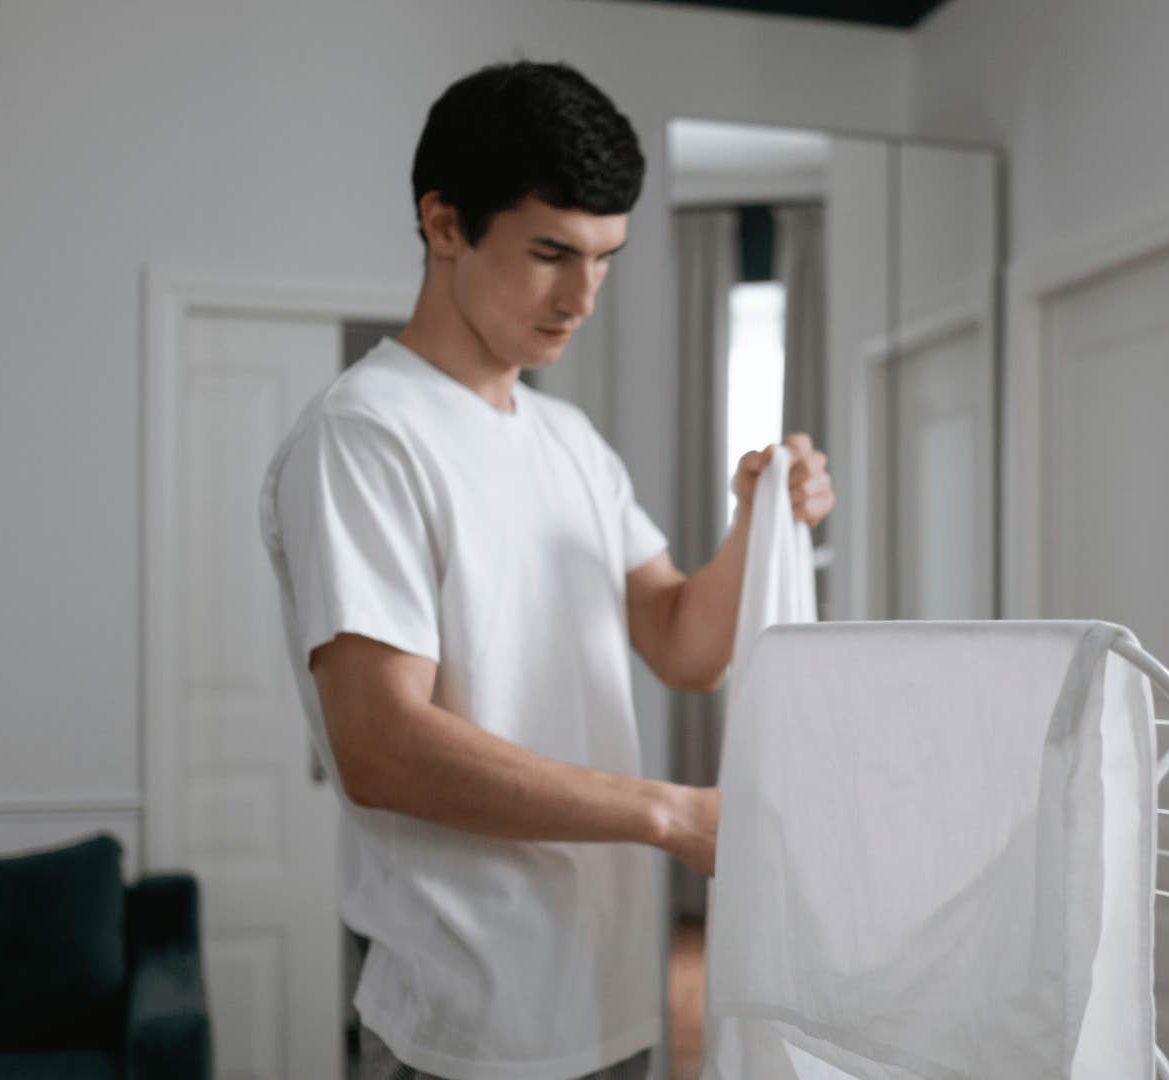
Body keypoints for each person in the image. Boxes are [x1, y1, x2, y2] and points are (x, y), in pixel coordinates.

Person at [258, 59, 834, 1080]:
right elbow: (379, 745)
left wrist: (759, 524)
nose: (581, 298)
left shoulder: (568, 439)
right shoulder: (365, 435)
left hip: (611, 1002)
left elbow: (682, 645)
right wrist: (669, 814)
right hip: (468, 1027)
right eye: (550, 254)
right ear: (444, 225)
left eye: (605, 260)